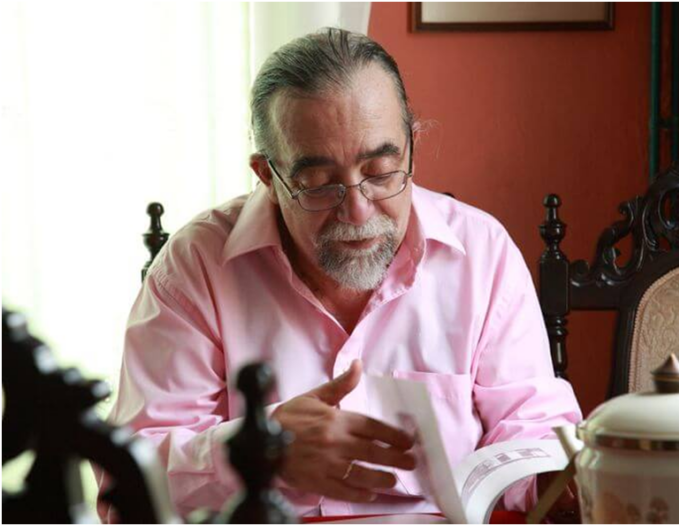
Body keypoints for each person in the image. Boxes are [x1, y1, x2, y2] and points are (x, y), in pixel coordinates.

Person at [99, 27, 582, 524]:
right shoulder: (196, 265)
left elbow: (531, 425)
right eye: (317, 183)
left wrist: (557, 475)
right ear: (268, 176)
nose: (356, 210)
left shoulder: (481, 252)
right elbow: (129, 478)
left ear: (412, 148)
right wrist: (260, 452)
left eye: (381, 171)